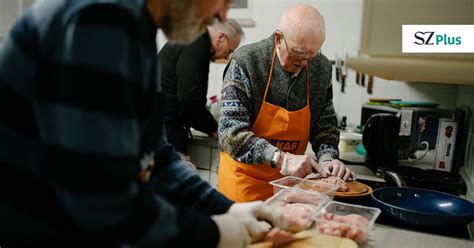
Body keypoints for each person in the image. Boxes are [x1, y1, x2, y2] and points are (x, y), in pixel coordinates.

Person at [0, 0, 285, 247]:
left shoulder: (135, 27)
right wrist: (211, 233)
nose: (223, 16)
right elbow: (99, 195)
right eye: (223, 1)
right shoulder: (104, 17)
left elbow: (155, 157)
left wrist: (227, 210)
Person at [217, 4, 355, 202]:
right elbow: (231, 134)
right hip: (243, 185)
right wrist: (283, 158)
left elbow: (325, 128)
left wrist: (328, 159)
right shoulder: (246, 62)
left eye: (312, 55)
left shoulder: (321, 68)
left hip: (287, 188)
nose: (305, 63)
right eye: (299, 54)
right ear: (279, 39)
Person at [159, 19, 243, 153]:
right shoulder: (196, 43)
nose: (227, 56)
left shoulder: (193, 37)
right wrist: (214, 128)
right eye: (229, 50)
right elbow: (189, 100)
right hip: (165, 124)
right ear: (221, 38)